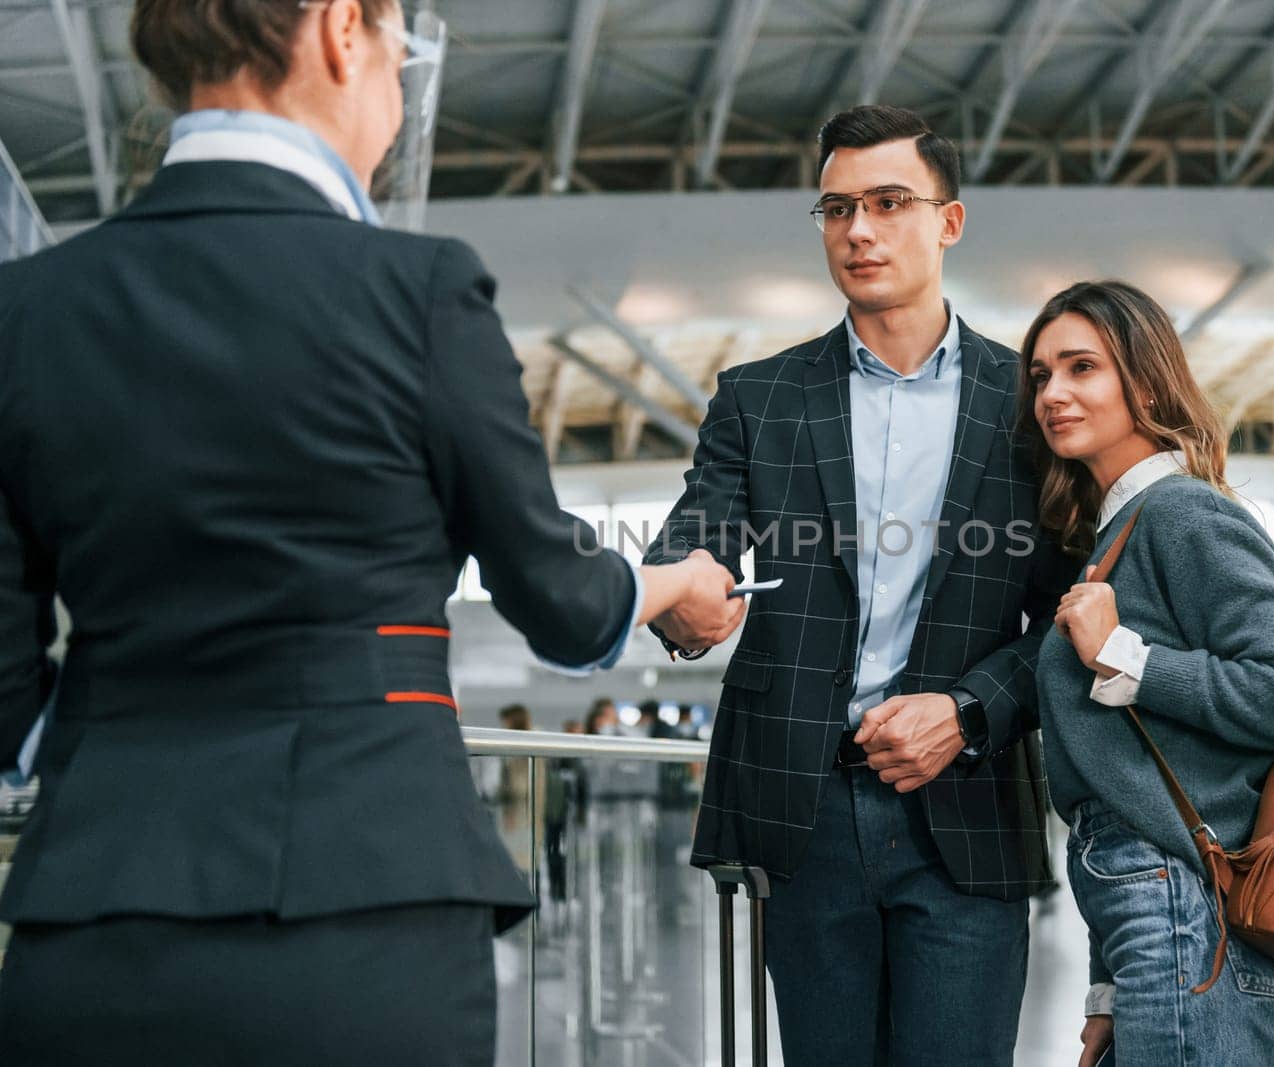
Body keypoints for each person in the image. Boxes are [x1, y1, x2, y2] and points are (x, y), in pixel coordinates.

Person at [0, 2, 741, 1062]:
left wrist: (93, 761)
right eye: (399, 51)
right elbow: (562, 602)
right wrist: (675, 580)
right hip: (369, 903)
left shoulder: (26, 309)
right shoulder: (417, 291)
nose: (396, 86)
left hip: (93, 915)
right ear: (344, 30)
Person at [644, 105, 1068, 1066]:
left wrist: (966, 710)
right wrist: (683, 596)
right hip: (808, 809)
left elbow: (1074, 614)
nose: (859, 230)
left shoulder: (1032, 404)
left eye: (887, 202)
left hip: (965, 803)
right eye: (837, 208)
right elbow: (696, 535)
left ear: (948, 222)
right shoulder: (760, 397)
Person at [1025, 281, 1274, 1067]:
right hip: (1157, 917)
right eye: (1040, 376)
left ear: (1145, 378)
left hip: (1190, 915)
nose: (1054, 393)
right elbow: (1126, 779)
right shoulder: (1116, 532)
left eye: (1081, 368)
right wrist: (1108, 989)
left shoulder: (1183, 512)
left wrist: (1125, 657)